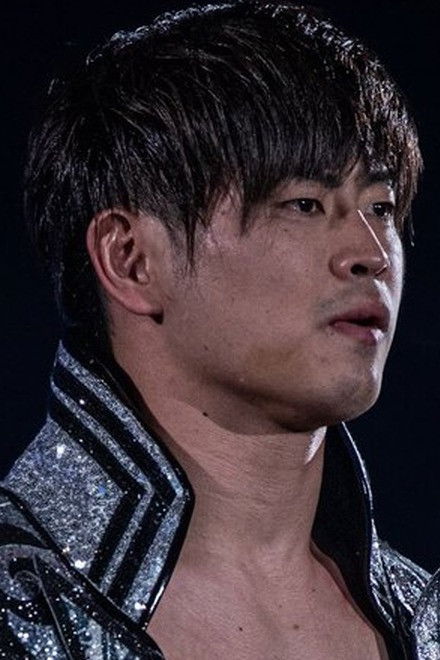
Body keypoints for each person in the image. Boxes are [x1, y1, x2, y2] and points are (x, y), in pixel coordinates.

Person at [0, 0, 435, 657]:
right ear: (131, 259)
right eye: (304, 204)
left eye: (381, 206)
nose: (371, 253)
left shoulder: (424, 625)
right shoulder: (21, 602)